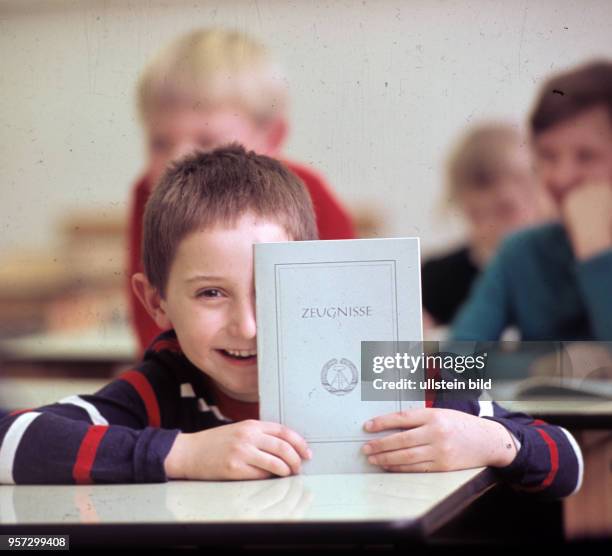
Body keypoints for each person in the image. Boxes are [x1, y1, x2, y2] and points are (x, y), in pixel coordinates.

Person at [0, 146, 581, 496]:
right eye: (209, 293)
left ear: (311, 276)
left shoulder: (393, 371)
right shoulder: (163, 387)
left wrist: (493, 441)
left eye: (266, 291)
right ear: (155, 304)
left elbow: (566, 459)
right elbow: (8, 439)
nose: (247, 326)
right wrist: (182, 455)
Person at [129, 28, 355, 351]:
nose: (175, 162)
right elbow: (151, 323)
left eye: (207, 142)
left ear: (273, 138)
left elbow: (348, 316)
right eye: (160, 143)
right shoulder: (151, 194)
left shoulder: (311, 195)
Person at [452, 61, 612, 341]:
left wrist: (597, 253)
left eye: (586, 156)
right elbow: (458, 362)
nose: (562, 178)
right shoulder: (522, 251)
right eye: (548, 156)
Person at [422, 124, 553, 326]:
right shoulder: (434, 278)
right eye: (478, 215)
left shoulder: (562, 264)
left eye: (506, 210)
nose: (508, 195)